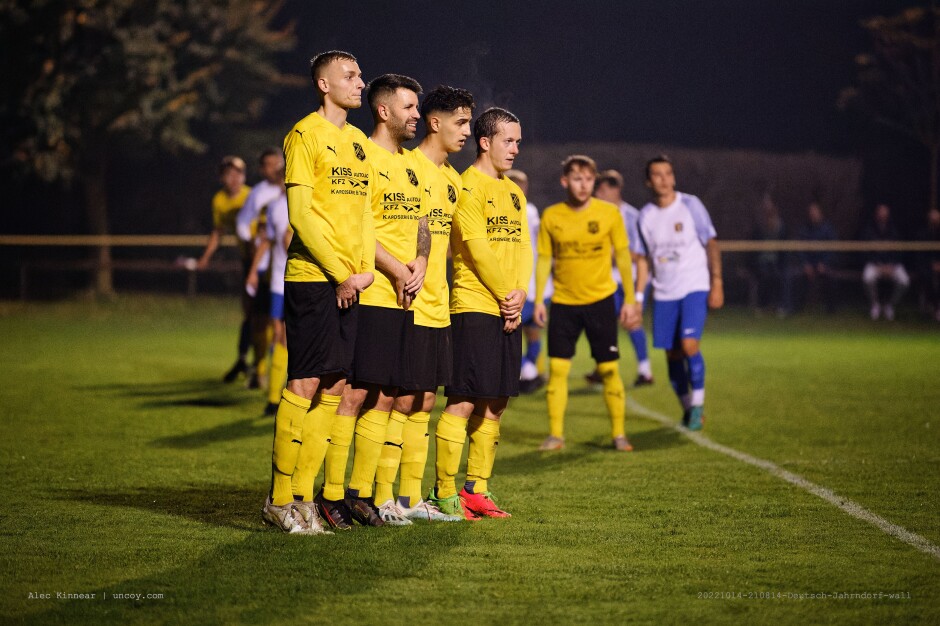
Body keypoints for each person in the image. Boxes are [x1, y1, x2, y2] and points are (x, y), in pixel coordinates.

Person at [261, 50, 375, 535]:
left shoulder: (359, 144)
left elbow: (366, 212)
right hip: (313, 278)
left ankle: (305, 499)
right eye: (350, 75)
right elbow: (301, 216)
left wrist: (365, 270)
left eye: (361, 75)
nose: (360, 82)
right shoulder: (304, 134)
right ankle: (279, 500)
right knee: (303, 385)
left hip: (351, 282)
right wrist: (339, 272)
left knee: (334, 388)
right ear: (324, 85)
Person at [314, 74, 430, 530]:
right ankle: (330, 494)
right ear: (384, 111)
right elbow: (362, 227)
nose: (416, 115)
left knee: (385, 396)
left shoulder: (412, 165)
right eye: (409, 108)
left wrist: (419, 258)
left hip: (404, 297)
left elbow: (422, 221)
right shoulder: (363, 155)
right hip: (373, 293)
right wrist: (397, 269)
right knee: (352, 393)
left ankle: (359, 494)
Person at [372, 85, 476, 524]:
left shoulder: (454, 181)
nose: (467, 132)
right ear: (434, 122)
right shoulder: (406, 165)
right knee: (397, 399)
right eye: (461, 122)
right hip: (403, 303)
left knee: (425, 401)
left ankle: (412, 499)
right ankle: (380, 495)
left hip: (439, 306)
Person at [427, 107, 531, 519]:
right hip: (474, 305)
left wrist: (520, 293)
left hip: (509, 306)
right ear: (485, 142)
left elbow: (522, 248)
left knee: (497, 401)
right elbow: (476, 249)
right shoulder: (467, 188)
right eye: (509, 140)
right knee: (464, 400)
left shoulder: (515, 193)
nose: (515, 149)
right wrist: (508, 295)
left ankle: (477, 489)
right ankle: (443, 492)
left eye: (519, 141)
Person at [533, 156, 641, 452]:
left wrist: (630, 299)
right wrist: (540, 297)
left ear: (594, 181)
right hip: (564, 304)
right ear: (565, 182)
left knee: (608, 370)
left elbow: (623, 255)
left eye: (589, 179)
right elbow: (544, 258)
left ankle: (619, 434)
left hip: (601, 302)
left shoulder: (609, 213)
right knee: (557, 370)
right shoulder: (552, 216)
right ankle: (556, 435)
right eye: (577, 179)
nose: (584, 185)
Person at [635, 155, 723, 431]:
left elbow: (711, 243)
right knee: (672, 355)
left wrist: (717, 281)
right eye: (658, 175)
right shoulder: (645, 216)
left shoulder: (690, 205)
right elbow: (643, 260)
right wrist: (638, 299)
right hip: (664, 294)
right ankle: (687, 408)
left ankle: (698, 405)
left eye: (668, 173)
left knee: (689, 346)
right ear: (649, 181)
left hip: (694, 286)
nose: (664, 179)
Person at [592, 168, 653, 387]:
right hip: (606, 279)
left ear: (616, 189)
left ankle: (645, 370)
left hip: (633, 279)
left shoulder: (633, 217)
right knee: (603, 324)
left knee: (632, 321)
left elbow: (638, 255)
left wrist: (612, 254)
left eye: (603, 189)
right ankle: (603, 367)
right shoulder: (596, 215)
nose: (598, 193)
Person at [196, 155, 252, 383]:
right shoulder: (219, 200)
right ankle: (243, 360)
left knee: (271, 318)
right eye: (229, 173)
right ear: (222, 177)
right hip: (248, 260)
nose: (234, 177)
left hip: (267, 261)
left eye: (238, 172)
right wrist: (205, 258)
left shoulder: (252, 195)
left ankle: (265, 367)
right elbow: (218, 232)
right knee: (249, 314)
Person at [236, 148, 286, 389]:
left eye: (278, 164)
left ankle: (277, 377)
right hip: (268, 268)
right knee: (261, 321)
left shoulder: (299, 193)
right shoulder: (260, 195)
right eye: (270, 164)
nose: (275, 169)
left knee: (281, 328)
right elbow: (246, 226)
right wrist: (253, 258)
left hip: (290, 271)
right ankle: (261, 370)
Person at [244, 161, 290, 416]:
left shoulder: (308, 203)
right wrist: (253, 271)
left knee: (291, 337)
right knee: (278, 334)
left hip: (300, 280)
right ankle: (274, 398)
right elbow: (267, 242)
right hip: (277, 282)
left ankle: (288, 394)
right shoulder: (273, 208)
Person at [505, 169, 551, 394]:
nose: (521, 190)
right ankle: (529, 371)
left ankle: (526, 372)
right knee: (528, 332)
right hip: (524, 284)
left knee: (522, 331)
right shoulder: (526, 210)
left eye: (523, 186)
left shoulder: (528, 210)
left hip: (530, 284)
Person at [861, 203, 909, 321]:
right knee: (867, 277)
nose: (882, 215)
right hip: (875, 264)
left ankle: (890, 305)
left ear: (888, 214)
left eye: (885, 213)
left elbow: (899, 250)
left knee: (905, 280)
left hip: (892, 265)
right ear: (876, 214)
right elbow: (866, 251)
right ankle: (875, 305)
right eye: (880, 213)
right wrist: (879, 265)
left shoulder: (894, 229)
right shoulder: (870, 228)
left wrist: (891, 265)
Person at [743, 194, 788, 316]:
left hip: (777, 261)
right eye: (765, 206)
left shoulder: (781, 226)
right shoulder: (758, 226)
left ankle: (780, 306)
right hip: (760, 261)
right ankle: (761, 306)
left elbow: (784, 248)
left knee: (779, 276)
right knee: (764, 276)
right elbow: (751, 250)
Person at [793, 201, 838, 313]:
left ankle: (831, 309)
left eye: (815, 212)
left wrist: (824, 263)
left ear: (820, 213)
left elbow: (833, 249)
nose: (813, 214)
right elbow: (800, 249)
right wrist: (806, 264)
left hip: (823, 265)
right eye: (811, 212)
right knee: (797, 277)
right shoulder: (804, 229)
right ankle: (797, 307)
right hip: (809, 265)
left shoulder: (828, 229)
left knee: (831, 278)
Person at [917, 208, 940, 322]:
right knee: (928, 278)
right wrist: (932, 264)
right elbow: (921, 255)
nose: (934, 221)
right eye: (932, 219)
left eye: (936, 219)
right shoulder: (923, 233)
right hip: (927, 266)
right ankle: (935, 306)